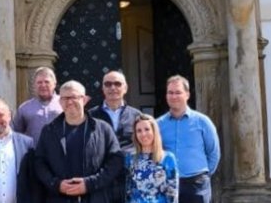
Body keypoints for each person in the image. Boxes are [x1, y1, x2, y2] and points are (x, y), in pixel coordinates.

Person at [34, 80, 123, 202]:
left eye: (74, 97)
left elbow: (115, 161)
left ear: (85, 100)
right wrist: (57, 184)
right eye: (65, 98)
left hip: (95, 197)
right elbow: (39, 163)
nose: (69, 102)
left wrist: (90, 184)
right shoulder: (49, 131)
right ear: (60, 102)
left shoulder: (103, 129)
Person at [157, 75, 220, 203]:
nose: (174, 96)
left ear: (187, 94)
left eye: (178, 92)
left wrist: (203, 176)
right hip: (168, 183)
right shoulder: (158, 124)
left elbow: (214, 153)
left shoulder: (203, 122)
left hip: (196, 184)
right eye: (170, 92)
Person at [88, 70, 142, 203]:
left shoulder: (137, 116)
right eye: (108, 84)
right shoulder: (90, 116)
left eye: (118, 84)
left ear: (125, 88)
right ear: (103, 88)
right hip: (101, 180)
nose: (113, 88)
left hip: (129, 179)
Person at [126, 113, 178, 203]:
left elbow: (172, 193)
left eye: (147, 129)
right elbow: (128, 191)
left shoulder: (167, 158)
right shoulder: (130, 158)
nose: (143, 134)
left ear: (154, 131)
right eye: (139, 131)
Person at [14, 66, 62, 144]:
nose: (43, 85)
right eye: (39, 82)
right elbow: (16, 134)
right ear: (34, 85)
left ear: (54, 83)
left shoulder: (64, 104)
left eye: (47, 82)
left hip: (61, 154)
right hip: (34, 153)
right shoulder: (24, 108)